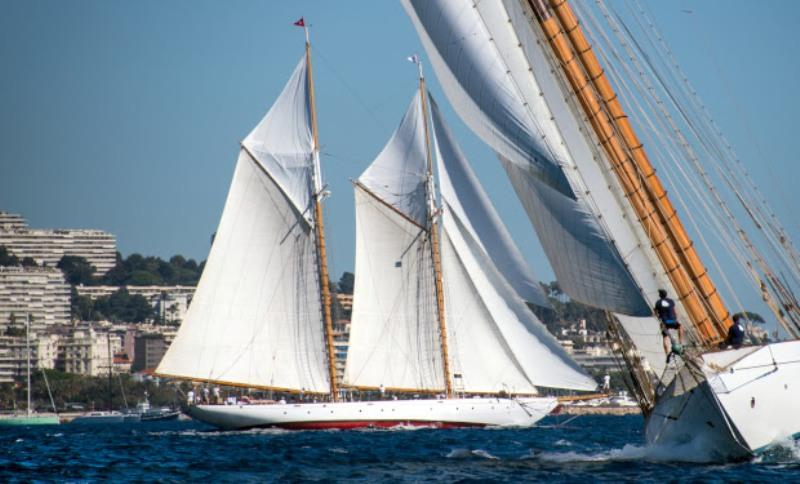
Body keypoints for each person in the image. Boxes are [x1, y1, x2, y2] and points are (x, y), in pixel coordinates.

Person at [654, 289, 684, 360]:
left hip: (665, 322)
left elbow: (655, 313)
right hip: (673, 321)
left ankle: (667, 354)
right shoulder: (671, 301)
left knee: (665, 337)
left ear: (660, 295)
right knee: (680, 327)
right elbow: (674, 311)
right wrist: (676, 319)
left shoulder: (658, 303)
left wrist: (658, 317)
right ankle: (681, 343)